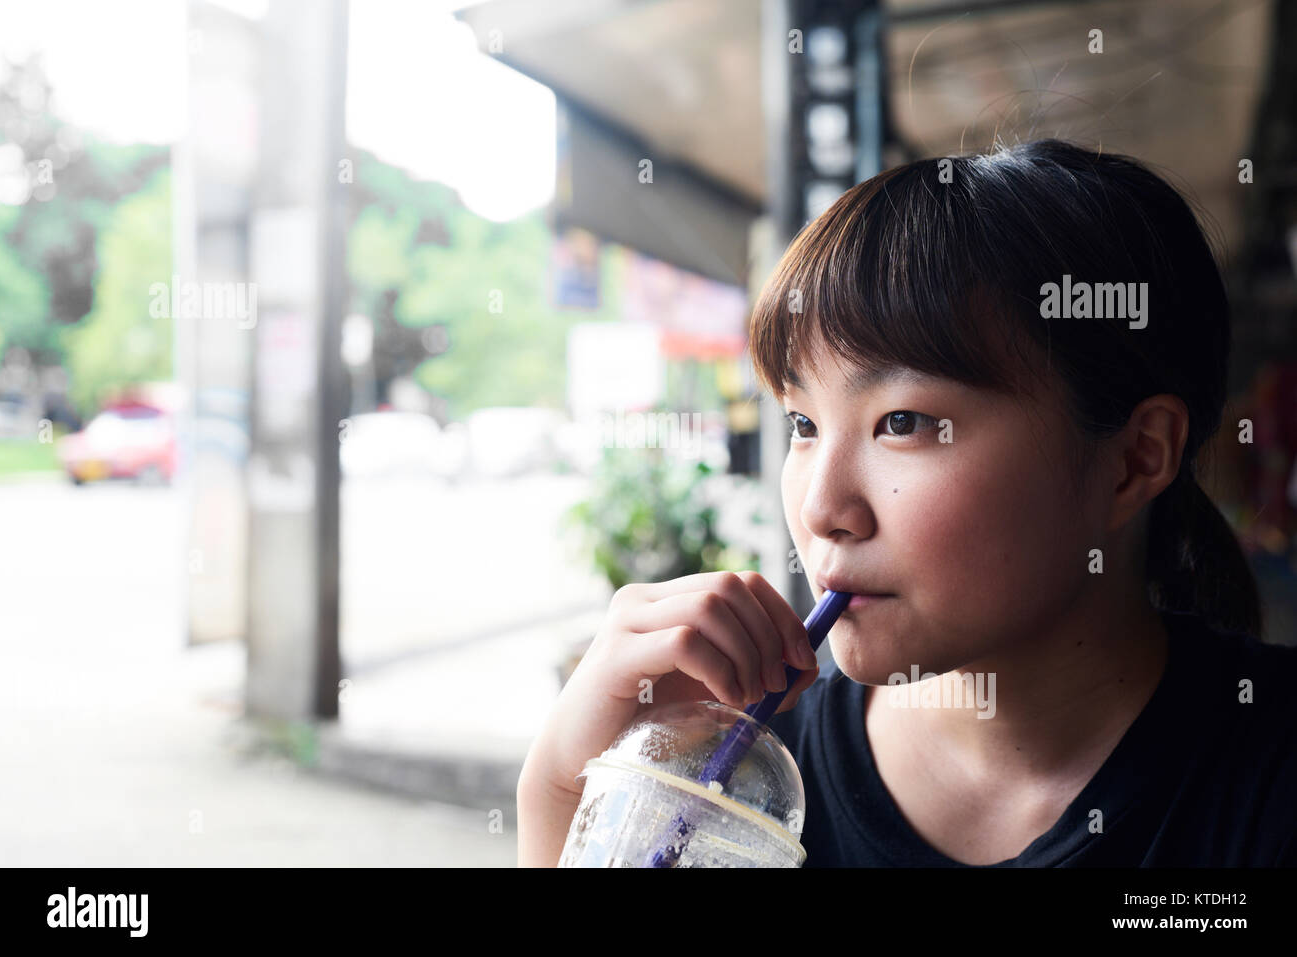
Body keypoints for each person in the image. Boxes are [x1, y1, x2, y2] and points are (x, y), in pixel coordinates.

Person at [517, 139, 1297, 867]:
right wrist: (558, 792)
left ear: (1134, 458)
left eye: (904, 422)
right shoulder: (736, 793)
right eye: (803, 423)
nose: (822, 508)